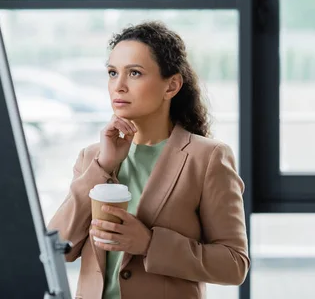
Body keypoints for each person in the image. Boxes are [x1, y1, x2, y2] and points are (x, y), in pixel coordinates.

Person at [48, 21, 250, 299]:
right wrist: (103, 166)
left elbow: (234, 265)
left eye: (134, 73)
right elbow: (58, 246)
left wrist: (149, 244)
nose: (118, 86)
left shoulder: (208, 158)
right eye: (112, 72)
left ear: (172, 86)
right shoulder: (92, 158)